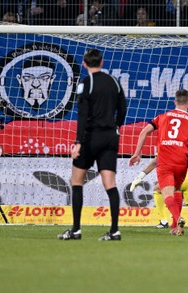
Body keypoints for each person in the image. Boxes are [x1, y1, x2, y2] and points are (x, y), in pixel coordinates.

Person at [129, 89, 188, 236]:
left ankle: (176, 220)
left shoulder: (162, 117)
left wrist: (137, 153)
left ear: (174, 101)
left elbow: (144, 132)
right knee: (177, 191)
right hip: (183, 163)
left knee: (166, 194)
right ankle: (175, 227)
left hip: (165, 161)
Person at [58, 49, 127, 241]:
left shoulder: (85, 83)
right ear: (102, 62)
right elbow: (123, 106)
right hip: (110, 137)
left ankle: (76, 230)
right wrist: (118, 126)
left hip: (91, 137)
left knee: (77, 181)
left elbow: (82, 114)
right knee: (110, 184)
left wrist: (78, 142)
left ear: (84, 63)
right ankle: (114, 231)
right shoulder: (114, 81)